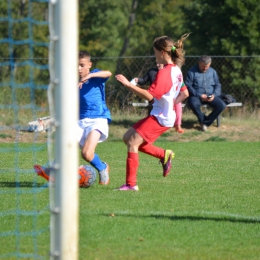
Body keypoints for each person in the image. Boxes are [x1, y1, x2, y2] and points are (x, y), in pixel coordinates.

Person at [115, 34, 190, 191]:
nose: (154, 55)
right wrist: (170, 104)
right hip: (162, 114)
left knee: (133, 143)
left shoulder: (164, 73)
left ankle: (131, 184)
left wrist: (129, 85)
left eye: (155, 52)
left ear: (162, 52)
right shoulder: (176, 70)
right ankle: (164, 154)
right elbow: (185, 94)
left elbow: (150, 96)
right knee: (127, 137)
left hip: (161, 117)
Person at [34, 51, 111, 186]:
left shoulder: (96, 76)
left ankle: (102, 167)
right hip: (79, 122)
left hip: (98, 120)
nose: (78, 69)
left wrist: (91, 75)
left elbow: (108, 73)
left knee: (87, 154)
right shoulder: (74, 84)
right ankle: (53, 171)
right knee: (65, 145)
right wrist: (48, 121)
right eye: (76, 66)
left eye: (82, 65)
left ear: (89, 65)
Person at [133, 63, 185, 133]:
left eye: (159, 63)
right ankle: (150, 127)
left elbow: (184, 92)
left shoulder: (171, 73)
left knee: (178, 104)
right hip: (154, 98)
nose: (157, 65)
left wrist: (174, 101)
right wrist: (138, 80)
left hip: (169, 99)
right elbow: (143, 80)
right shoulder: (152, 72)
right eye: (156, 63)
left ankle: (178, 125)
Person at [185, 55, 226, 131]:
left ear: (210, 64)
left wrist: (214, 95)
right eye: (203, 66)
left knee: (222, 105)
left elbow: (217, 84)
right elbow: (188, 85)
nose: (205, 68)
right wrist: (199, 95)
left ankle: (205, 123)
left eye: (207, 66)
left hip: (211, 95)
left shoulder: (213, 72)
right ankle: (203, 119)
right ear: (199, 63)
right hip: (196, 95)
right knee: (193, 103)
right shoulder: (191, 72)